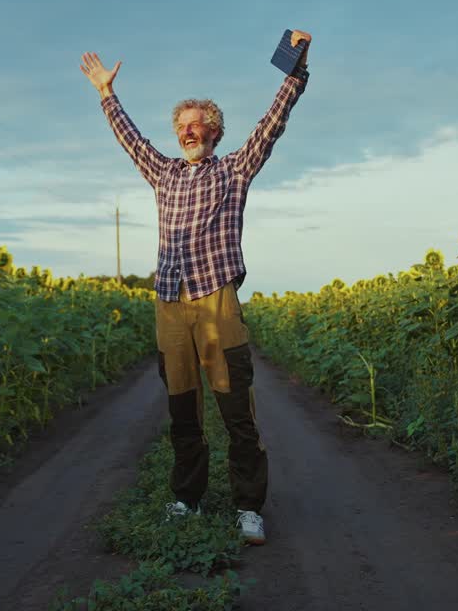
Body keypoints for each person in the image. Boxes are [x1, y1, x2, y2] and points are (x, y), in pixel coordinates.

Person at [78, 31, 311, 545]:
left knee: (236, 411)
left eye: (198, 124)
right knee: (183, 411)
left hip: (216, 299)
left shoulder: (234, 169)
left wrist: (295, 71)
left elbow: (271, 127)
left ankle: (249, 506)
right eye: (182, 126)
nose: (189, 131)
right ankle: (188, 498)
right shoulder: (162, 173)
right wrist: (105, 93)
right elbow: (130, 138)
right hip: (169, 302)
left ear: (215, 131)